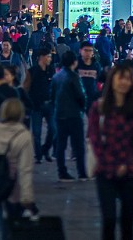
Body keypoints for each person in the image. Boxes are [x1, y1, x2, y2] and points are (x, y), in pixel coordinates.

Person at [88, 63, 133, 240]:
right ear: (112, 80)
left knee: (127, 222)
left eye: (127, 79)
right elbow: (95, 139)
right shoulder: (98, 108)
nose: (124, 82)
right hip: (105, 171)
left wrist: (127, 164)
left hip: (131, 173)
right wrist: (113, 164)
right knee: (108, 219)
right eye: (120, 78)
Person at [0, 98, 37, 240]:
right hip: (13, 185)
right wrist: (27, 196)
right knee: (13, 226)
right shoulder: (24, 135)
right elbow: (25, 169)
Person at [52, 50, 89, 182]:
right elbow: (80, 95)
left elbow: (52, 95)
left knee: (61, 145)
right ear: (74, 62)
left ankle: (62, 172)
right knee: (78, 145)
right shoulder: (74, 76)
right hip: (73, 114)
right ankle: (82, 172)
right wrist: (82, 107)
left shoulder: (56, 76)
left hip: (60, 113)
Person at [23, 48, 54, 163]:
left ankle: (44, 149)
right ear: (41, 57)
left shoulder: (51, 70)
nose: (50, 59)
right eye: (48, 56)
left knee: (53, 129)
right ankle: (39, 155)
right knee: (36, 132)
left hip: (49, 105)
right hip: (36, 106)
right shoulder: (32, 71)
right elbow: (26, 88)